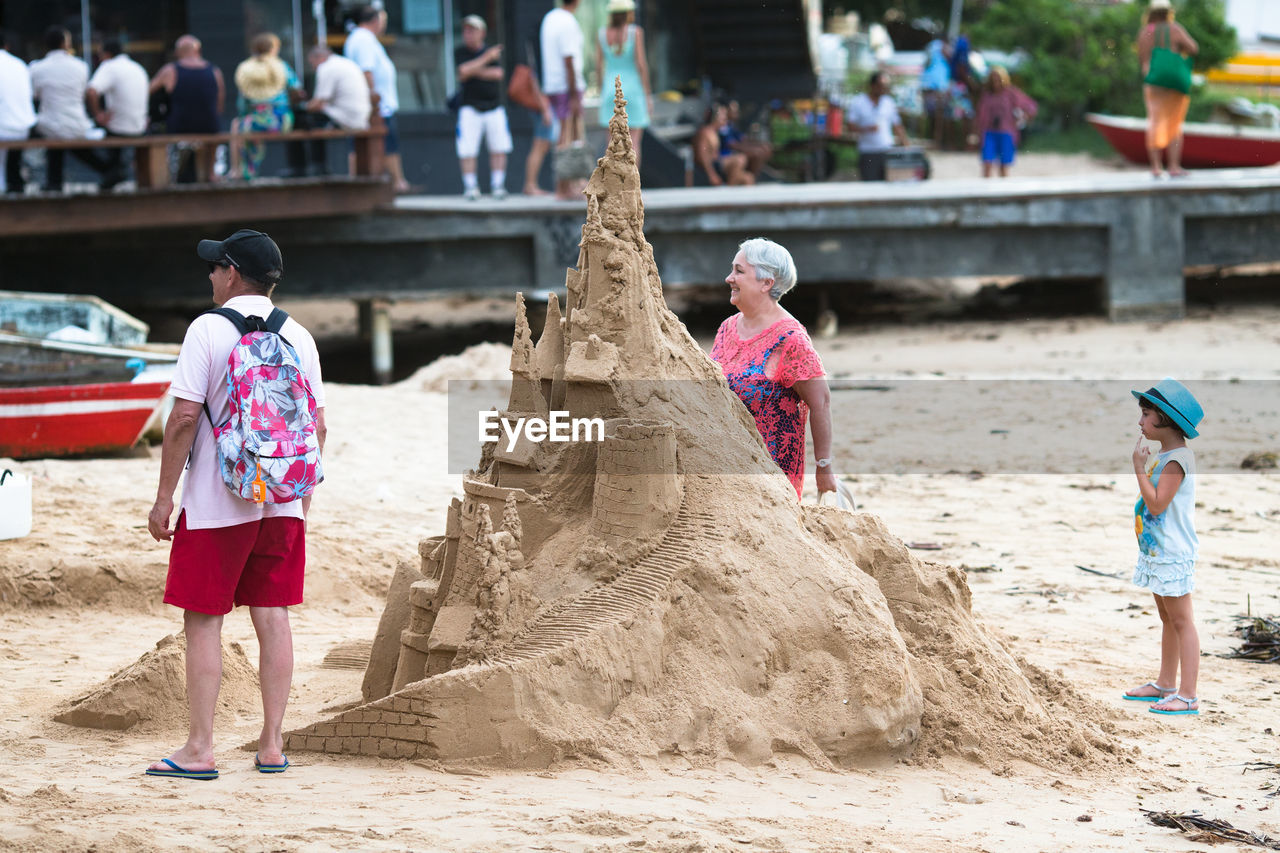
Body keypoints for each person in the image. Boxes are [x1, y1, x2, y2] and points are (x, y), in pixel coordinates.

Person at [145, 228, 326, 781]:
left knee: (203, 621)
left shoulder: (207, 329)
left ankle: (200, 750)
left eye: (214, 268)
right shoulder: (300, 334)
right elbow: (315, 424)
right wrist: (302, 496)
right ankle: (271, 745)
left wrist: (163, 497)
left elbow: (181, 420)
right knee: (273, 617)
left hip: (218, 500)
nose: (209, 277)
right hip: (281, 499)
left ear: (231, 273)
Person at [709, 238, 835, 500]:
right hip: (724, 468)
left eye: (739, 271)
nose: (729, 278)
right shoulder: (726, 328)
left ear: (766, 283)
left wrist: (824, 467)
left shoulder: (790, 339)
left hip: (771, 479)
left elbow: (821, 402)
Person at [1123, 378, 1204, 716]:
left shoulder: (1176, 462)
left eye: (1145, 415)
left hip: (1172, 554)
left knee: (1182, 620)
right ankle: (1166, 683)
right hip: (1159, 554)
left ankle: (1188, 695)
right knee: (1167, 618)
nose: (1140, 422)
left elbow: (1156, 504)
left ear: (1165, 419)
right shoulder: (1167, 455)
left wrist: (1138, 468)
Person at [29, 26, 113, 193]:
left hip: (49, 125)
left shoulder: (36, 68)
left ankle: (54, 183)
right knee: (71, 142)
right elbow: (83, 93)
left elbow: (35, 96)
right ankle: (108, 170)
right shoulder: (81, 66)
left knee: (55, 137)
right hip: (76, 123)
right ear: (64, 44)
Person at [345, 5, 409, 193]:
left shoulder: (363, 38)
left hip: (375, 104)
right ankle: (396, 182)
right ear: (376, 20)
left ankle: (380, 182)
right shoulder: (363, 40)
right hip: (376, 105)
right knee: (384, 143)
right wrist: (375, 99)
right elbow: (367, 70)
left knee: (370, 143)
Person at [150, 34, 225, 183]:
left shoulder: (170, 70)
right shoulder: (214, 71)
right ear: (198, 51)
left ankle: (168, 173)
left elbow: (149, 90)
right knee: (214, 127)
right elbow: (220, 102)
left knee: (159, 126)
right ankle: (210, 172)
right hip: (210, 126)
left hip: (180, 125)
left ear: (178, 52)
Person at [1137, 0, 1198, 178]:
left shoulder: (1145, 32)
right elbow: (1194, 48)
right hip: (1175, 83)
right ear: (1168, 13)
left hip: (1153, 81)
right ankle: (1173, 166)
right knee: (1175, 124)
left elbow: (1142, 60)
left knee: (1155, 121)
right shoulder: (1175, 29)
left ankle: (1156, 167)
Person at [455, 14, 511, 200]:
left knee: (499, 147)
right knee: (467, 149)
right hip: (470, 108)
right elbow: (462, 72)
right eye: (466, 30)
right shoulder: (462, 52)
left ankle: (498, 186)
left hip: (494, 107)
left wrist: (473, 70)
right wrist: (486, 59)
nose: (468, 34)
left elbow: (498, 74)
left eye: (473, 30)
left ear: (483, 32)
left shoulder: (492, 51)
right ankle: (470, 187)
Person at [233, 33, 300, 180]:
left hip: (252, 124)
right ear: (273, 49)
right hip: (281, 122)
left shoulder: (244, 68)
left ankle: (245, 173)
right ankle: (299, 169)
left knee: (240, 128)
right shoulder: (282, 66)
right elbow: (297, 89)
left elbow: (241, 105)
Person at [594, 0, 652, 167]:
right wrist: (647, 95)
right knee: (633, 142)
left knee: (612, 143)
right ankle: (632, 188)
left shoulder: (602, 34)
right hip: (633, 91)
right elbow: (641, 64)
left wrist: (600, 88)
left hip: (610, 90)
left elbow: (599, 66)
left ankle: (615, 187)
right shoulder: (635, 33)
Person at [86, 38, 149, 190]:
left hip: (119, 128)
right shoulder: (137, 67)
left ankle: (113, 172)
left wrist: (98, 115)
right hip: (140, 127)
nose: (98, 58)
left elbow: (92, 91)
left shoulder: (109, 66)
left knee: (79, 141)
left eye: (99, 54)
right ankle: (115, 172)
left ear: (107, 54)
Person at [302, 45, 371, 176]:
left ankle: (316, 169)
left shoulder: (326, 68)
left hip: (347, 117)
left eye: (312, 63)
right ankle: (318, 168)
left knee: (306, 122)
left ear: (319, 58)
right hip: (362, 115)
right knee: (314, 120)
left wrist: (303, 107)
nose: (313, 67)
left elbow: (318, 102)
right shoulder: (344, 62)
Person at [540, 0, 585, 199]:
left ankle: (568, 186)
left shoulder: (549, 18)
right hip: (567, 87)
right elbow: (569, 59)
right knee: (569, 137)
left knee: (564, 137)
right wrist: (574, 94)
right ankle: (564, 188)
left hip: (554, 85)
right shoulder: (568, 22)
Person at [973, 66, 1037, 178]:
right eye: (993, 79)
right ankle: (985, 190)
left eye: (998, 78)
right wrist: (976, 131)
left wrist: (1024, 117)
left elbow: (1031, 106)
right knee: (987, 162)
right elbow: (980, 115)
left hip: (1006, 131)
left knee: (1003, 165)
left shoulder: (1011, 93)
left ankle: (1004, 191)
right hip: (989, 131)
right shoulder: (987, 94)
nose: (995, 81)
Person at [847, 71, 908, 182]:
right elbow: (850, 126)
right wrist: (866, 129)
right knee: (870, 188)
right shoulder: (858, 102)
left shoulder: (888, 102)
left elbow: (897, 126)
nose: (883, 89)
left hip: (887, 151)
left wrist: (906, 145)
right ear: (872, 85)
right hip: (868, 152)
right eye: (881, 86)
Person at [0, 32, 35, 195]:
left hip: (4, 129)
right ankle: (14, 185)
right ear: (6, 46)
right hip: (23, 128)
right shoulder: (20, 64)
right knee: (11, 164)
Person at [695, 103, 752, 186]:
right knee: (739, 159)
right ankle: (729, 192)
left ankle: (734, 192)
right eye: (723, 115)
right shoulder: (704, 133)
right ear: (715, 117)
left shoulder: (715, 132)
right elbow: (702, 157)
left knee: (748, 178)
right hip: (709, 168)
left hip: (717, 164)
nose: (726, 118)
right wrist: (712, 175)